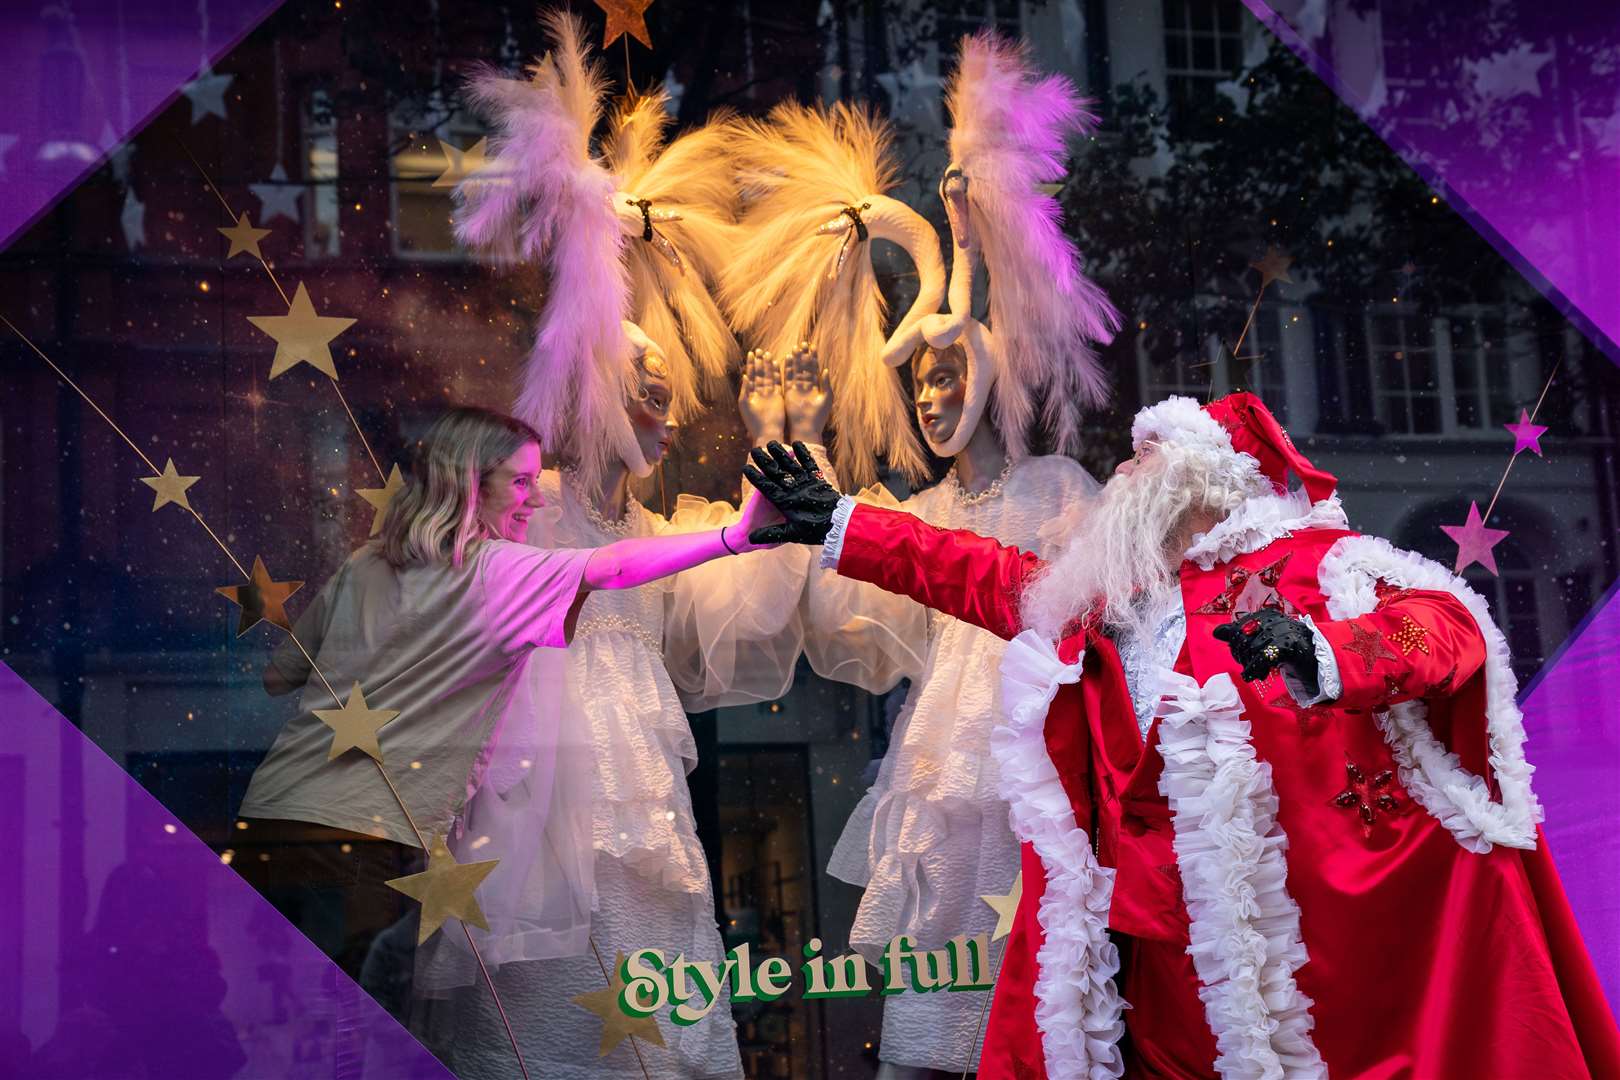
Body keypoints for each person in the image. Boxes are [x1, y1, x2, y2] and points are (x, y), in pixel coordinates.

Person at [745, 391, 1620, 1079]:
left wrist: (1320, 647)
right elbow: (974, 573)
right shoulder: (1108, 597)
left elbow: (1445, 626)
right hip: (1146, 941)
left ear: (1203, 481)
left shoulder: (1318, 567)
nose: (1121, 471)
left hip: (1293, 937)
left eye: (1142, 457)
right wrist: (839, 524)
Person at [722, 33, 1118, 1077]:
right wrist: (798, 448)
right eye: (921, 384)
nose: (934, 397)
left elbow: (1090, 620)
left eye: (948, 375)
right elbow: (857, 627)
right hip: (945, 768)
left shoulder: (1056, 492)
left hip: (1037, 761)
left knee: (1035, 991)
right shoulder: (924, 505)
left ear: (988, 369)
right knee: (933, 1008)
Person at [416, 16, 805, 1078]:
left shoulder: (641, 527)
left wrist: (781, 461)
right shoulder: (530, 511)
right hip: (548, 841)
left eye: (669, 391)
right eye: (641, 386)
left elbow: (745, 613)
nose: (667, 411)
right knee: (558, 1040)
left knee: (662, 1022)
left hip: (645, 833)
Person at [236, 405, 778, 986]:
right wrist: (735, 537)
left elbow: (280, 676)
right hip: (369, 842)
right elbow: (615, 566)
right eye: (521, 481)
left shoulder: (366, 565)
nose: (538, 499)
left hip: (280, 826)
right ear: (468, 485)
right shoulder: (496, 568)